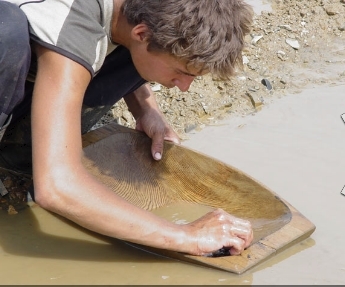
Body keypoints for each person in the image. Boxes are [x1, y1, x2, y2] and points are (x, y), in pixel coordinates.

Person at [0, 0, 254, 256]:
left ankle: (30, 150)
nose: (184, 86)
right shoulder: (75, 23)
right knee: (6, 30)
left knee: (137, 52)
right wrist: (185, 236)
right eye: (180, 72)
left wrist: (146, 109)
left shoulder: (138, 15)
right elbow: (56, 187)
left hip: (58, 54)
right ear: (142, 33)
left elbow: (122, 36)